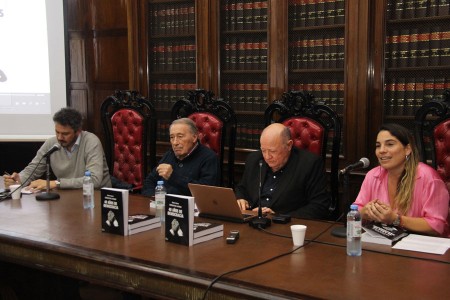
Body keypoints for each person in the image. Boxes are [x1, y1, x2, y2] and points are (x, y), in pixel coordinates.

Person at [355, 123, 449, 236]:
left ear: (407, 149)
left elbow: (436, 226)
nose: (381, 150)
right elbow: (356, 210)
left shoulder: (429, 178)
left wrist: (395, 219)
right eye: (378, 145)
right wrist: (364, 212)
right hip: (383, 242)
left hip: (419, 246)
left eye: (389, 144)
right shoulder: (372, 175)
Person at [235, 123, 331, 219]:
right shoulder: (254, 159)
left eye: (273, 151)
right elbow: (242, 188)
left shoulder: (310, 164)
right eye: (263, 150)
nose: (267, 157)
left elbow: (319, 206)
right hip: (252, 220)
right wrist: (240, 199)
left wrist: (280, 217)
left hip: (287, 227)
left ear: (289, 145)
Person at [4, 107, 111, 190]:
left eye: (65, 134)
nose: (59, 137)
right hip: (67, 197)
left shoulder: (91, 141)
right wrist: (19, 179)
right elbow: (33, 169)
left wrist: (55, 183)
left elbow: (95, 180)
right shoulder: (51, 143)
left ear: (78, 131)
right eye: (57, 132)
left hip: (96, 197)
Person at [142, 118, 219, 196]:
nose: (175, 142)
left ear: (194, 137)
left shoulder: (208, 158)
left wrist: (173, 177)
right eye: (172, 137)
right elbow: (149, 181)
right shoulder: (169, 155)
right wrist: (156, 198)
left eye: (180, 136)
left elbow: (205, 192)